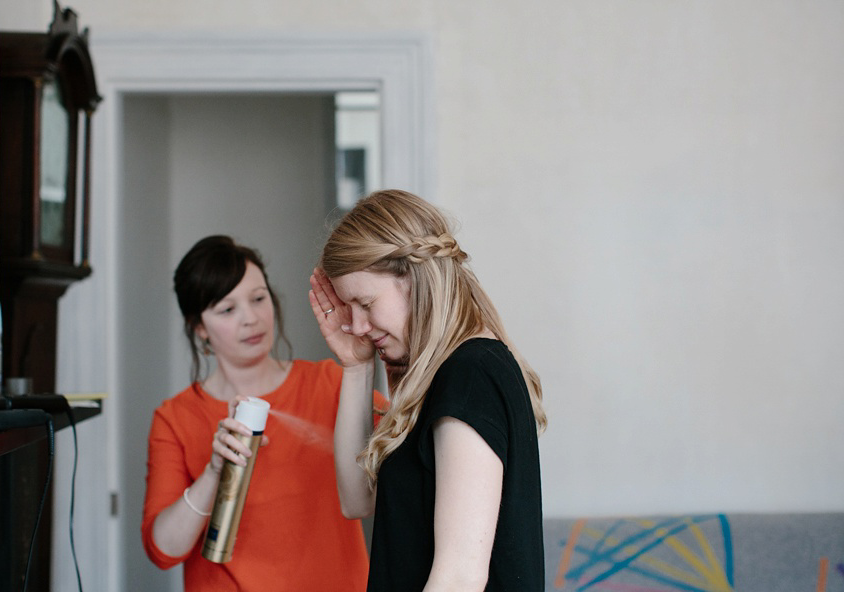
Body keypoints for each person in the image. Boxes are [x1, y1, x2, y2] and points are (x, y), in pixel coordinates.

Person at [309, 189, 547, 591]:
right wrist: (355, 367)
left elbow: (459, 578)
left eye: (365, 303)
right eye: (349, 309)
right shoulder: (444, 375)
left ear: (415, 279)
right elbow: (356, 500)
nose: (358, 325)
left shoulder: (470, 375)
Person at [142, 235, 372, 591]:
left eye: (258, 298)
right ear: (199, 327)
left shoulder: (332, 385)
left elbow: (410, 437)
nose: (250, 318)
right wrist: (213, 472)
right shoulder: (175, 418)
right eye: (227, 309)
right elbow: (163, 551)